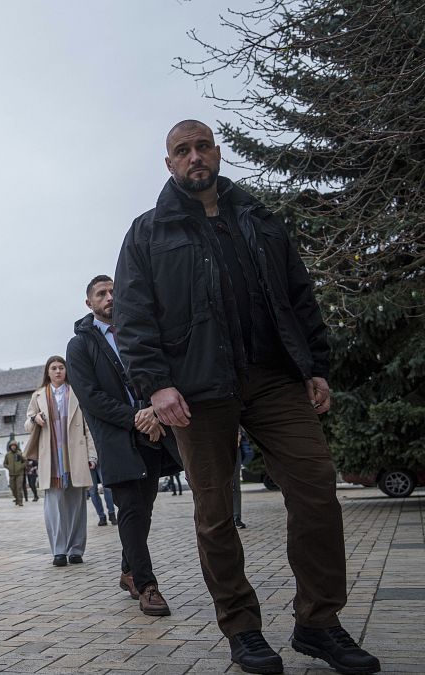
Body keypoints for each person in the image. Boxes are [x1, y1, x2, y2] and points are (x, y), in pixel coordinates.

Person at [113, 119, 380, 674]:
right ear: (169, 164)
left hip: (273, 377)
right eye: (182, 150)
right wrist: (157, 385)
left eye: (202, 146)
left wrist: (316, 367)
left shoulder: (258, 220)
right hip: (197, 389)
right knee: (214, 515)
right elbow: (134, 321)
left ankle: (319, 623)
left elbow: (299, 297)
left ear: (217, 151)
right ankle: (241, 627)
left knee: (315, 490)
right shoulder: (147, 233)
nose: (195, 157)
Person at [66, 274, 183, 617]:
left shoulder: (138, 333)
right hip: (118, 437)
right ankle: (147, 585)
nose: (110, 297)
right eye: (102, 294)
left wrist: (155, 416)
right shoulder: (80, 346)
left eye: (114, 291)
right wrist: (137, 416)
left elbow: (161, 373)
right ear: (89, 303)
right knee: (130, 509)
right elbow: (91, 398)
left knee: (142, 511)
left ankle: (128, 571)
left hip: (153, 434)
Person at [26, 356, 97, 567]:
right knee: (53, 507)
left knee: (77, 506)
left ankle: (75, 550)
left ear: (66, 371)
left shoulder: (77, 393)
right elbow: (27, 424)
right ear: (47, 372)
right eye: (53, 368)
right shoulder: (38, 395)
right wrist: (34, 419)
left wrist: (92, 455)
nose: (58, 371)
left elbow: (88, 427)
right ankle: (59, 551)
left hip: (75, 454)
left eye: (61, 367)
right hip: (51, 457)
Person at [234, 429, 255, 529]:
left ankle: (236, 517)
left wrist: (238, 435)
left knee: (235, 485)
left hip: (234, 448)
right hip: (214, 448)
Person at [4, 440, 28, 506]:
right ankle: (16, 498)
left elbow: (26, 461)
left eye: (14, 446)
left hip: (20, 474)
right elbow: (4, 464)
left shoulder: (20, 454)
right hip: (11, 474)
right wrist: (9, 467)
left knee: (19, 488)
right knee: (13, 488)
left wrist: (21, 466)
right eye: (12, 446)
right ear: (10, 447)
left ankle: (20, 501)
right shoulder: (7, 455)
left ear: (16, 446)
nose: (13, 447)